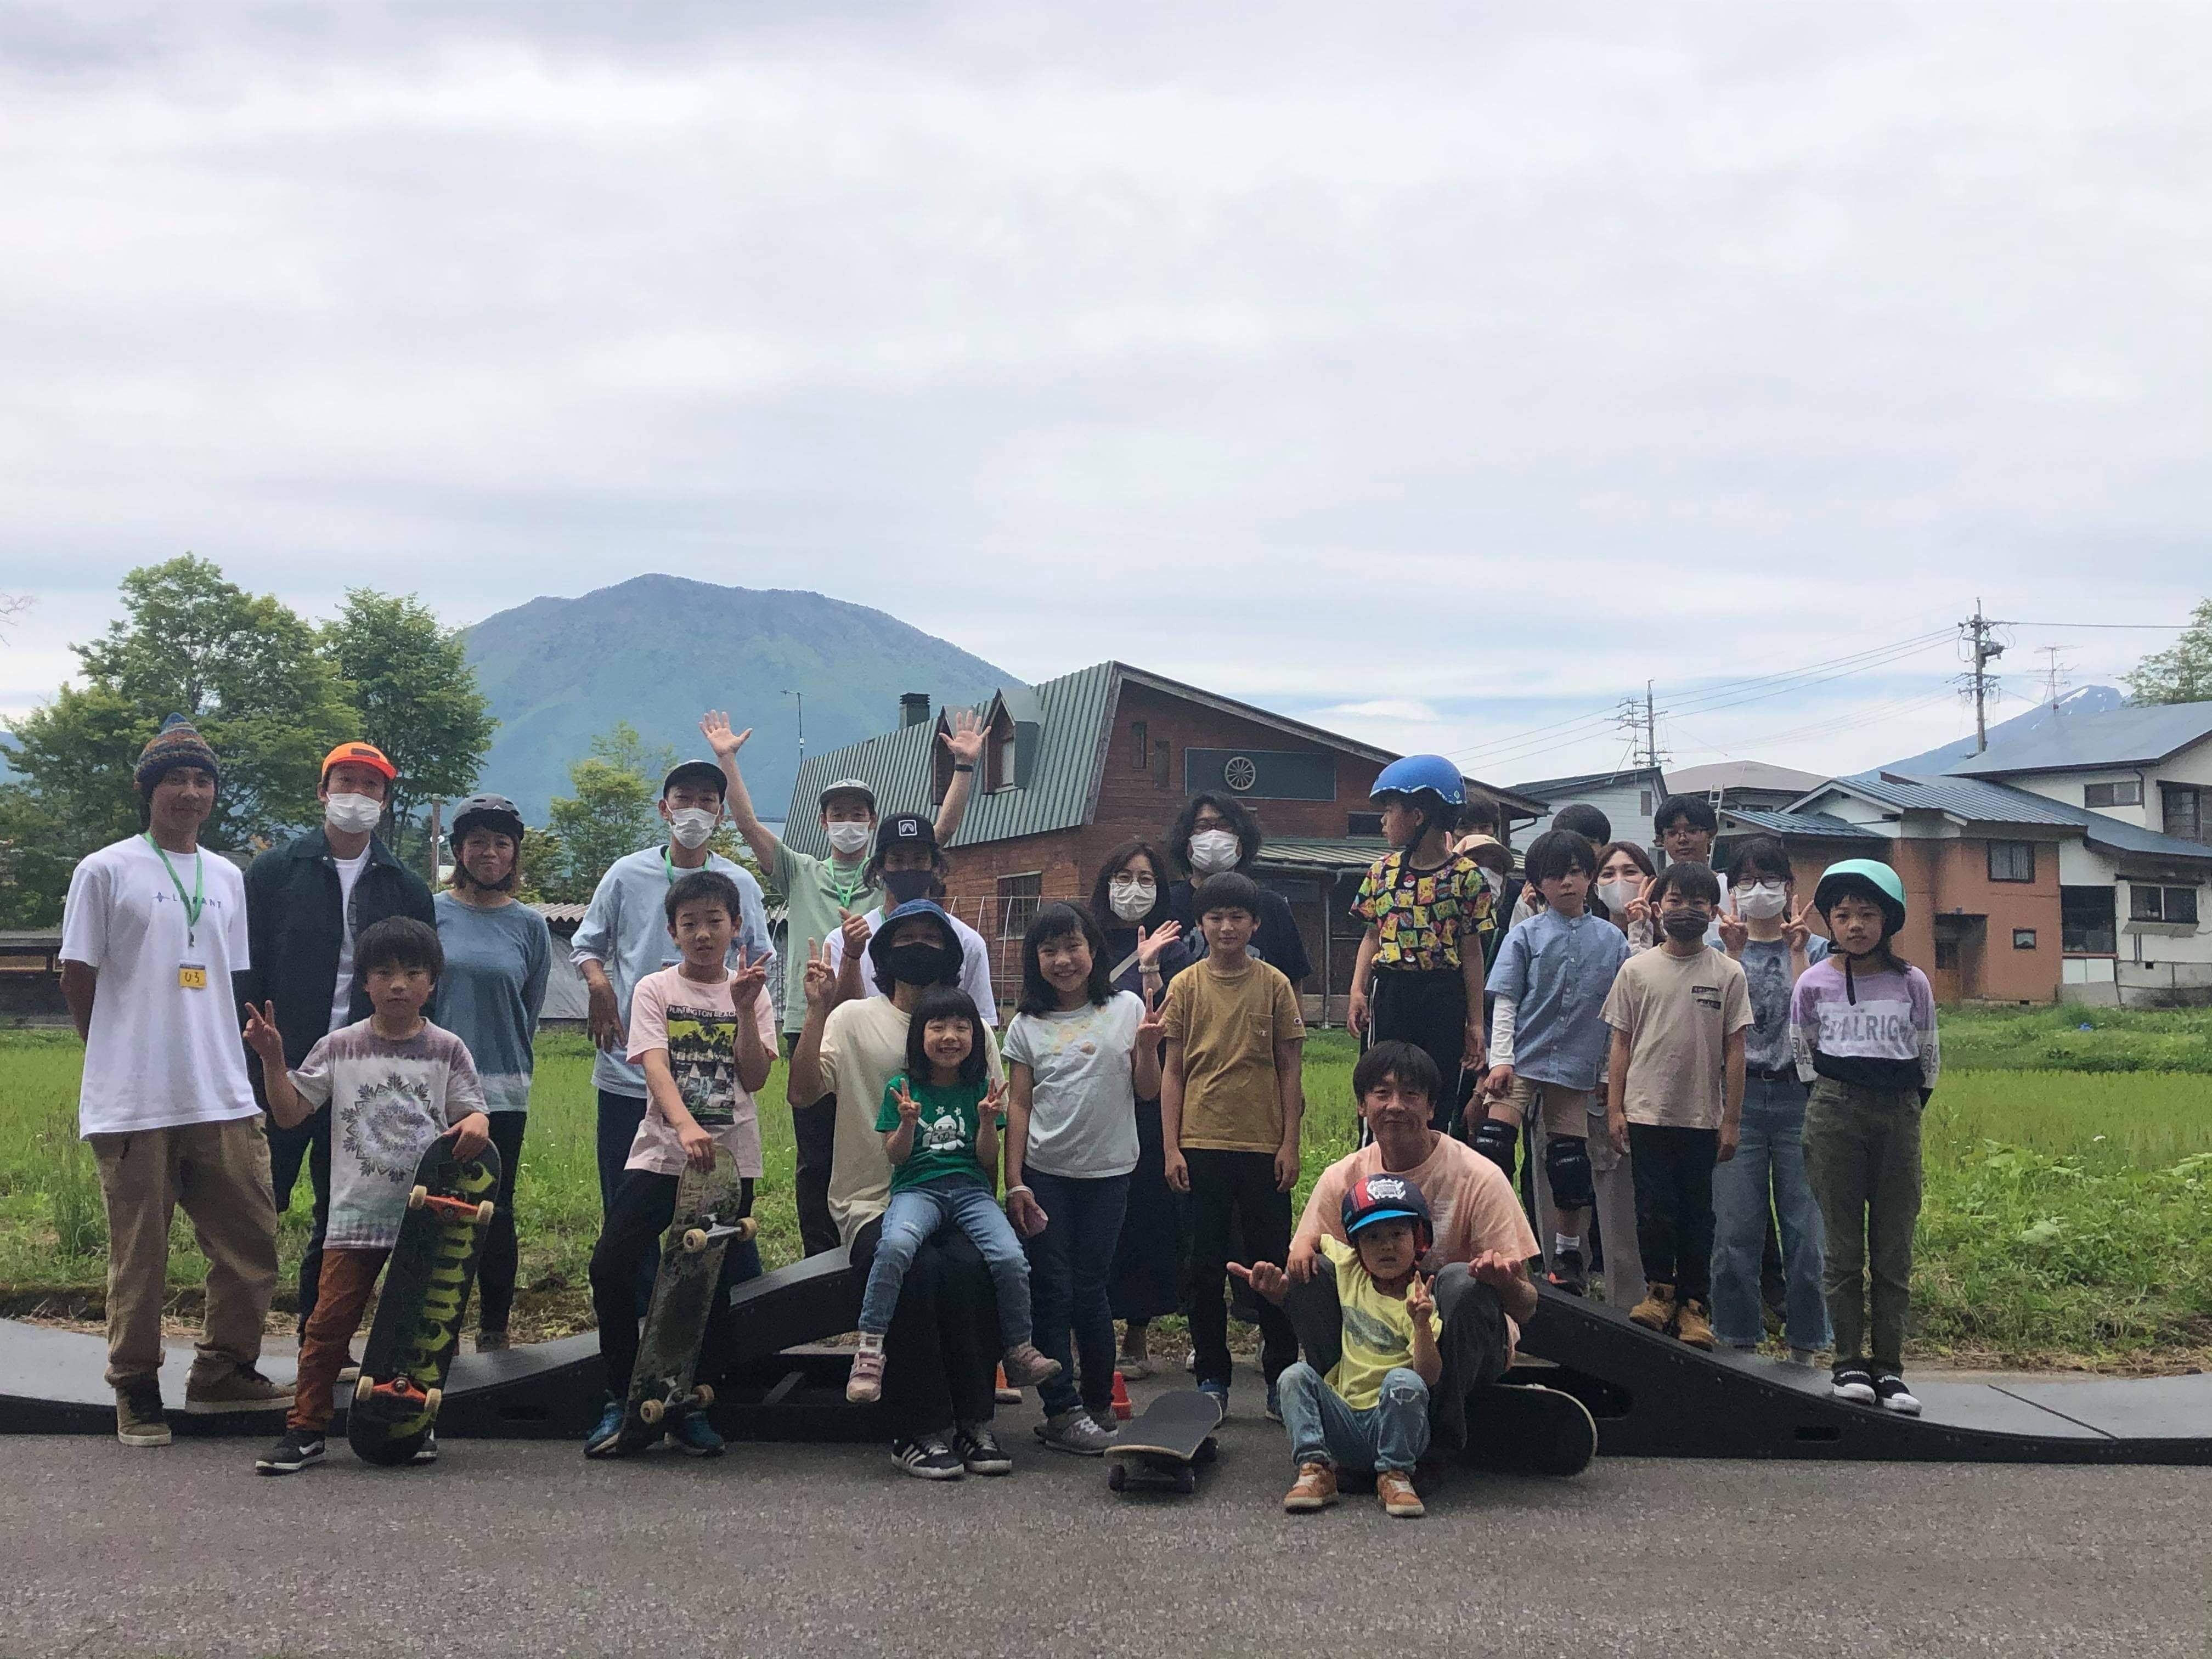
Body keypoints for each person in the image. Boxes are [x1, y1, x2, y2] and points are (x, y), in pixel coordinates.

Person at [60, 715, 290, 1446]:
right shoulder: (106, 870)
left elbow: (221, 976)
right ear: (147, 788)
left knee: (251, 1238)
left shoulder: (226, 877)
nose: (189, 792)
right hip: (134, 1099)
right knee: (141, 1254)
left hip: (220, 1090)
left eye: (201, 780)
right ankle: (135, 1386)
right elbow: (77, 974)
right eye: (175, 779)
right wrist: (112, 1048)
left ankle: (224, 1372)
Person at [699, 707, 985, 1257]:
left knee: (880, 1141)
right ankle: (822, 1258)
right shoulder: (801, 871)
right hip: (811, 1019)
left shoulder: (889, 879)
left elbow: (937, 837)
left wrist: (965, 768)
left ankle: (879, 1240)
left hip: (885, 1032)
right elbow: (748, 827)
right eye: (837, 813)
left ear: (873, 824)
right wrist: (728, 760)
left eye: (857, 813)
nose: (847, 821)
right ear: (823, 820)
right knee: (816, 1153)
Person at [245, 917, 490, 1474]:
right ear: (364, 981)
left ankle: (413, 1423)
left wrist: (477, 1124)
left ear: (433, 982)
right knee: (327, 1327)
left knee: (419, 1332)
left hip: (425, 1219)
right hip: (355, 1216)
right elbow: (290, 1113)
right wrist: (272, 1060)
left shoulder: (448, 1050)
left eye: (413, 973)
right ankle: (306, 1430)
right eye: (384, 972)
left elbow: (473, 1115)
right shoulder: (340, 1047)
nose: (398, 984)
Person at [788, 900, 1012, 1479]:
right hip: (873, 1200)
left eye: (931, 939)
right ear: (884, 955)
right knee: (920, 1270)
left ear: (951, 954)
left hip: (957, 1193)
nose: (918, 947)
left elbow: (992, 1119)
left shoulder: (971, 1027)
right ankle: (916, 1429)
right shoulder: (853, 1018)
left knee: (972, 1266)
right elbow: (804, 1093)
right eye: (905, 937)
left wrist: (999, 1195)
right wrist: (815, 1012)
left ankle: (974, 1421)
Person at [241, 740, 436, 1333]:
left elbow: (424, 982)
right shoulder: (275, 872)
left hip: (362, 1075)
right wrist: (247, 1054)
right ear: (323, 793)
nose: (357, 795)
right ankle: (236, 1348)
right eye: (345, 782)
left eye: (370, 785)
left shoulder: (405, 886)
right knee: (256, 1206)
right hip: (277, 1065)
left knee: (339, 1214)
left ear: (385, 799)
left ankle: (318, 1340)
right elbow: (243, 968)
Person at [583, 870, 775, 1458]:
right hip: (662, 1155)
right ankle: (619, 1395)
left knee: (708, 1284)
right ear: (672, 932)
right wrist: (685, 1125)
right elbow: (655, 1065)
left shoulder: (751, 992)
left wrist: (744, 1010)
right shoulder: (655, 988)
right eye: (690, 924)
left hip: (729, 1161)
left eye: (715, 921)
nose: (703, 934)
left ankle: (692, 1404)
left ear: (736, 926)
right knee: (611, 1267)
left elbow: (755, 1078)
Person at [570, 754, 772, 1283]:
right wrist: (599, 986)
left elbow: (758, 961)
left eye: (708, 800)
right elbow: (587, 944)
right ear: (665, 808)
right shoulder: (626, 874)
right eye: (684, 798)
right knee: (631, 1210)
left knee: (718, 1222)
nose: (695, 809)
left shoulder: (739, 883)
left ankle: (717, 1317)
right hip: (631, 1071)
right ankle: (639, 1317)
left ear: (721, 814)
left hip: (712, 1085)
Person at [1282, 1042, 1539, 1457]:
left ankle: (1439, 1438)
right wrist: (1287, 1269)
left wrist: (1504, 1283)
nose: (1396, 1106)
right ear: (1362, 1106)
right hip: (1372, 1345)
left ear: (1432, 1107)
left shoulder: (1480, 1178)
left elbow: (1526, 1307)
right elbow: (1305, 1250)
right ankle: (1344, 1417)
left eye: (1411, 1094)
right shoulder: (1343, 1178)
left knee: (1460, 1281)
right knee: (1310, 1273)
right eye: (1382, 1094)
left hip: (1457, 1349)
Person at [844, 987, 1059, 1406]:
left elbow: (986, 1158)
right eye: (938, 1027)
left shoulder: (981, 1088)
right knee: (895, 1247)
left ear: (976, 1038)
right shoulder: (902, 1088)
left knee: (1010, 1257)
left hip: (970, 1191)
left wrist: (987, 1122)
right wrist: (908, 1123)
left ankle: (1019, 1349)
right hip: (917, 1189)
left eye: (962, 1027)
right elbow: (896, 1157)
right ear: (919, 1037)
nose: (950, 1036)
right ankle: (869, 1351)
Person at [1002, 902, 1164, 1453]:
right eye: (1049, 950)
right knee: (1053, 1289)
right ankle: (1061, 1409)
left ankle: (1096, 1404)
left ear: (1093, 950)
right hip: (1045, 1174)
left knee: (1092, 1289)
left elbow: (1147, 1091)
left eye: (1072, 946)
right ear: (1035, 960)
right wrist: (1015, 1180)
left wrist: (1148, 1049)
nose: (1063, 960)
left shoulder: (1126, 1008)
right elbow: (1019, 1106)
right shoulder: (1026, 1025)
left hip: (1109, 1173)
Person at [1792, 859, 1940, 1416]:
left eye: (1868, 914)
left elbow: (1929, 1053)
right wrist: (1834, 1097)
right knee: (1843, 1247)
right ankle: (1849, 1361)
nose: (1855, 925)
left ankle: (1891, 1367)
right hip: (1834, 1110)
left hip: (1898, 1113)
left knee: (1893, 1247)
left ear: (1889, 920)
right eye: (1843, 915)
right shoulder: (1813, 981)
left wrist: (1904, 1105)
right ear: (1830, 922)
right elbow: (1802, 1048)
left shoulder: (1912, 981)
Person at [1160, 871, 1306, 1420]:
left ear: (1255, 923)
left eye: (1237, 917)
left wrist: (1290, 1143)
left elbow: (1290, 1067)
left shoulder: (1274, 984)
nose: (1227, 927)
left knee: (1271, 1265)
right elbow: (1173, 1071)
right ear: (1199, 924)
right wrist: (1171, 1147)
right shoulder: (1185, 986)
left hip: (1263, 1146)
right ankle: (1212, 1378)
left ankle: (1281, 1375)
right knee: (1203, 1268)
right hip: (1200, 1142)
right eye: (1216, 917)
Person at [1475, 829, 1630, 1297]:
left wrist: (1604, 1074)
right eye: (1555, 875)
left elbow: (1616, 1015)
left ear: (1590, 878)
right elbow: (1506, 999)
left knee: (1568, 1161)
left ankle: (1568, 1253)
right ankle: (1494, 1238)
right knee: (1493, 1145)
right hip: (1522, 1058)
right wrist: (1500, 1059)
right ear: (1537, 883)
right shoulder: (1525, 934)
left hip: (1576, 1064)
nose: (1567, 883)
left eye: (1577, 872)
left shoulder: (1613, 941)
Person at [1601, 862, 1750, 1350]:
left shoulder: (1728, 973)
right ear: (1657, 907)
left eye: (1698, 902)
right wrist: (1615, 1109)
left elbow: (1735, 1050)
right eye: (1676, 900)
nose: (1686, 910)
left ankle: (1694, 1305)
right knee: (1653, 1209)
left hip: (1701, 1117)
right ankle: (1659, 1293)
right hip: (1647, 1112)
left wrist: (1731, 1120)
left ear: (1713, 911)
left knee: (1698, 1214)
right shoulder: (1636, 969)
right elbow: (1620, 1043)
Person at [1235, 1175, 1442, 1519]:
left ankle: (1395, 1475)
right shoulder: (1351, 1269)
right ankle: (1315, 1469)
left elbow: (1429, 1376)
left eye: (1397, 1234)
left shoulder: (1418, 1299)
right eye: (1373, 1237)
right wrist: (1299, 1251)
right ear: (1357, 1245)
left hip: (1393, 1424)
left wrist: (1421, 1324)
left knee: (1404, 1382)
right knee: (1294, 1376)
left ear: (1418, 1239)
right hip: (1344, 1421)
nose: (1386, 1246)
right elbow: (1316, 1238)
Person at [431, 794, 551, 1352]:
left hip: (503, 1088)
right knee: (436, 1207)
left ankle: (495, 1329)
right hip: (435, 1087)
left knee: (494, 1209)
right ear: (458, 850)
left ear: (514, 854)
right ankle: (435, 1329)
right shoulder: (432, 913)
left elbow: (529, 1007)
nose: (490, 852)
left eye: (501, 843)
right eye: (477, 841)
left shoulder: (530, 926)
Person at [1711, 837, 1831, 1363]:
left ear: (1790, 887)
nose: (1759, 890)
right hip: (1735, 1100)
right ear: (1733, 891)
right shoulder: (1717, 951)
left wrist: (1798, 952)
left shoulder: (1818, 951)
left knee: (1807, 1233)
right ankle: (1737, 1342)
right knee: (1735, 1232)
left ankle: (1807, 1344)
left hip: (1799, 1098)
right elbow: (1713, 1024)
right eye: (1747, 881)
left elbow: (1817, 1025)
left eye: (1769, 880)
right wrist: (1733, 955)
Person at [1089, 841, 1195, 1381]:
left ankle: (1137, 1332)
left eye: (1147, 878)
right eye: (1124, 876)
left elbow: (1175, 1021)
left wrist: (1151, 968)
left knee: (1144, 1216)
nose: (1134, 888)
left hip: (1148, 1101)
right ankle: (1087, 1329)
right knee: (1087, 1215)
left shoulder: (1175, 949)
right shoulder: (1084, 939)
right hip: (1088, 1096)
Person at [1346, 755, 1489, 1135]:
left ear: (1418, 816)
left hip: (1444, 994)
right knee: (1381, 1077)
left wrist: (1475, 1021)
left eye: (1389, 810)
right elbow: (1372, 935)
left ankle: (1434, 1158)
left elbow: (1471, 951)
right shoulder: (1382, 872)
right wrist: (1358, 990)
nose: (1383, 821)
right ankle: (1374, 1155)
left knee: (1436, 1086)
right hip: (1391, 991)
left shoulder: (1466, 877)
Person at [820, 812, 1000, 1027]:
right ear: (880, 868)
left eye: (919, 859)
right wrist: (851, 956)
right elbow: (837, 1024)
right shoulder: (843, 941)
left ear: (935, 866)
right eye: (897, 860)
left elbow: (982, 1025)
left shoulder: (968, 941)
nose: (908, 868)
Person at [1163, 792, 1312, 986]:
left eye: (1225, 825)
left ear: (1242, 840)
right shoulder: (1165, 904)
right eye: (1202, 827)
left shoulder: (1272, 907)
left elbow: (1293, 983)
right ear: (1185, 840)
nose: (1214, 835)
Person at [1509, 803, 1610, 927]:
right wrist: (1538, 913)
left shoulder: (1611, 887)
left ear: (1604, 847)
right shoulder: (1532, 897)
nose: (1580, 849)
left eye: (1590, 842)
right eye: (1569, 842)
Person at [1651, 793, 1729, 946]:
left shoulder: (1731, 889)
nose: (1682, 839)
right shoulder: (1654, 892)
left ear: (1711, 835)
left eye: (1692, 831)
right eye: (1672, 833)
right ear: (1662, 840)